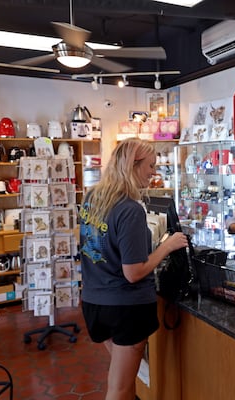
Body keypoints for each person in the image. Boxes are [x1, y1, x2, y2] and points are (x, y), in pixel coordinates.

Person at [79, 138, 188, 400]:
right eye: (150, 166)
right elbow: (134, 272)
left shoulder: (93, 196)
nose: (154, 172)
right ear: (132, 165)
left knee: (126, 385)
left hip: (94, 304)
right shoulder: (130, 210)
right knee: (118, 389)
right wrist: (168, 246)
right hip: (125, 309)